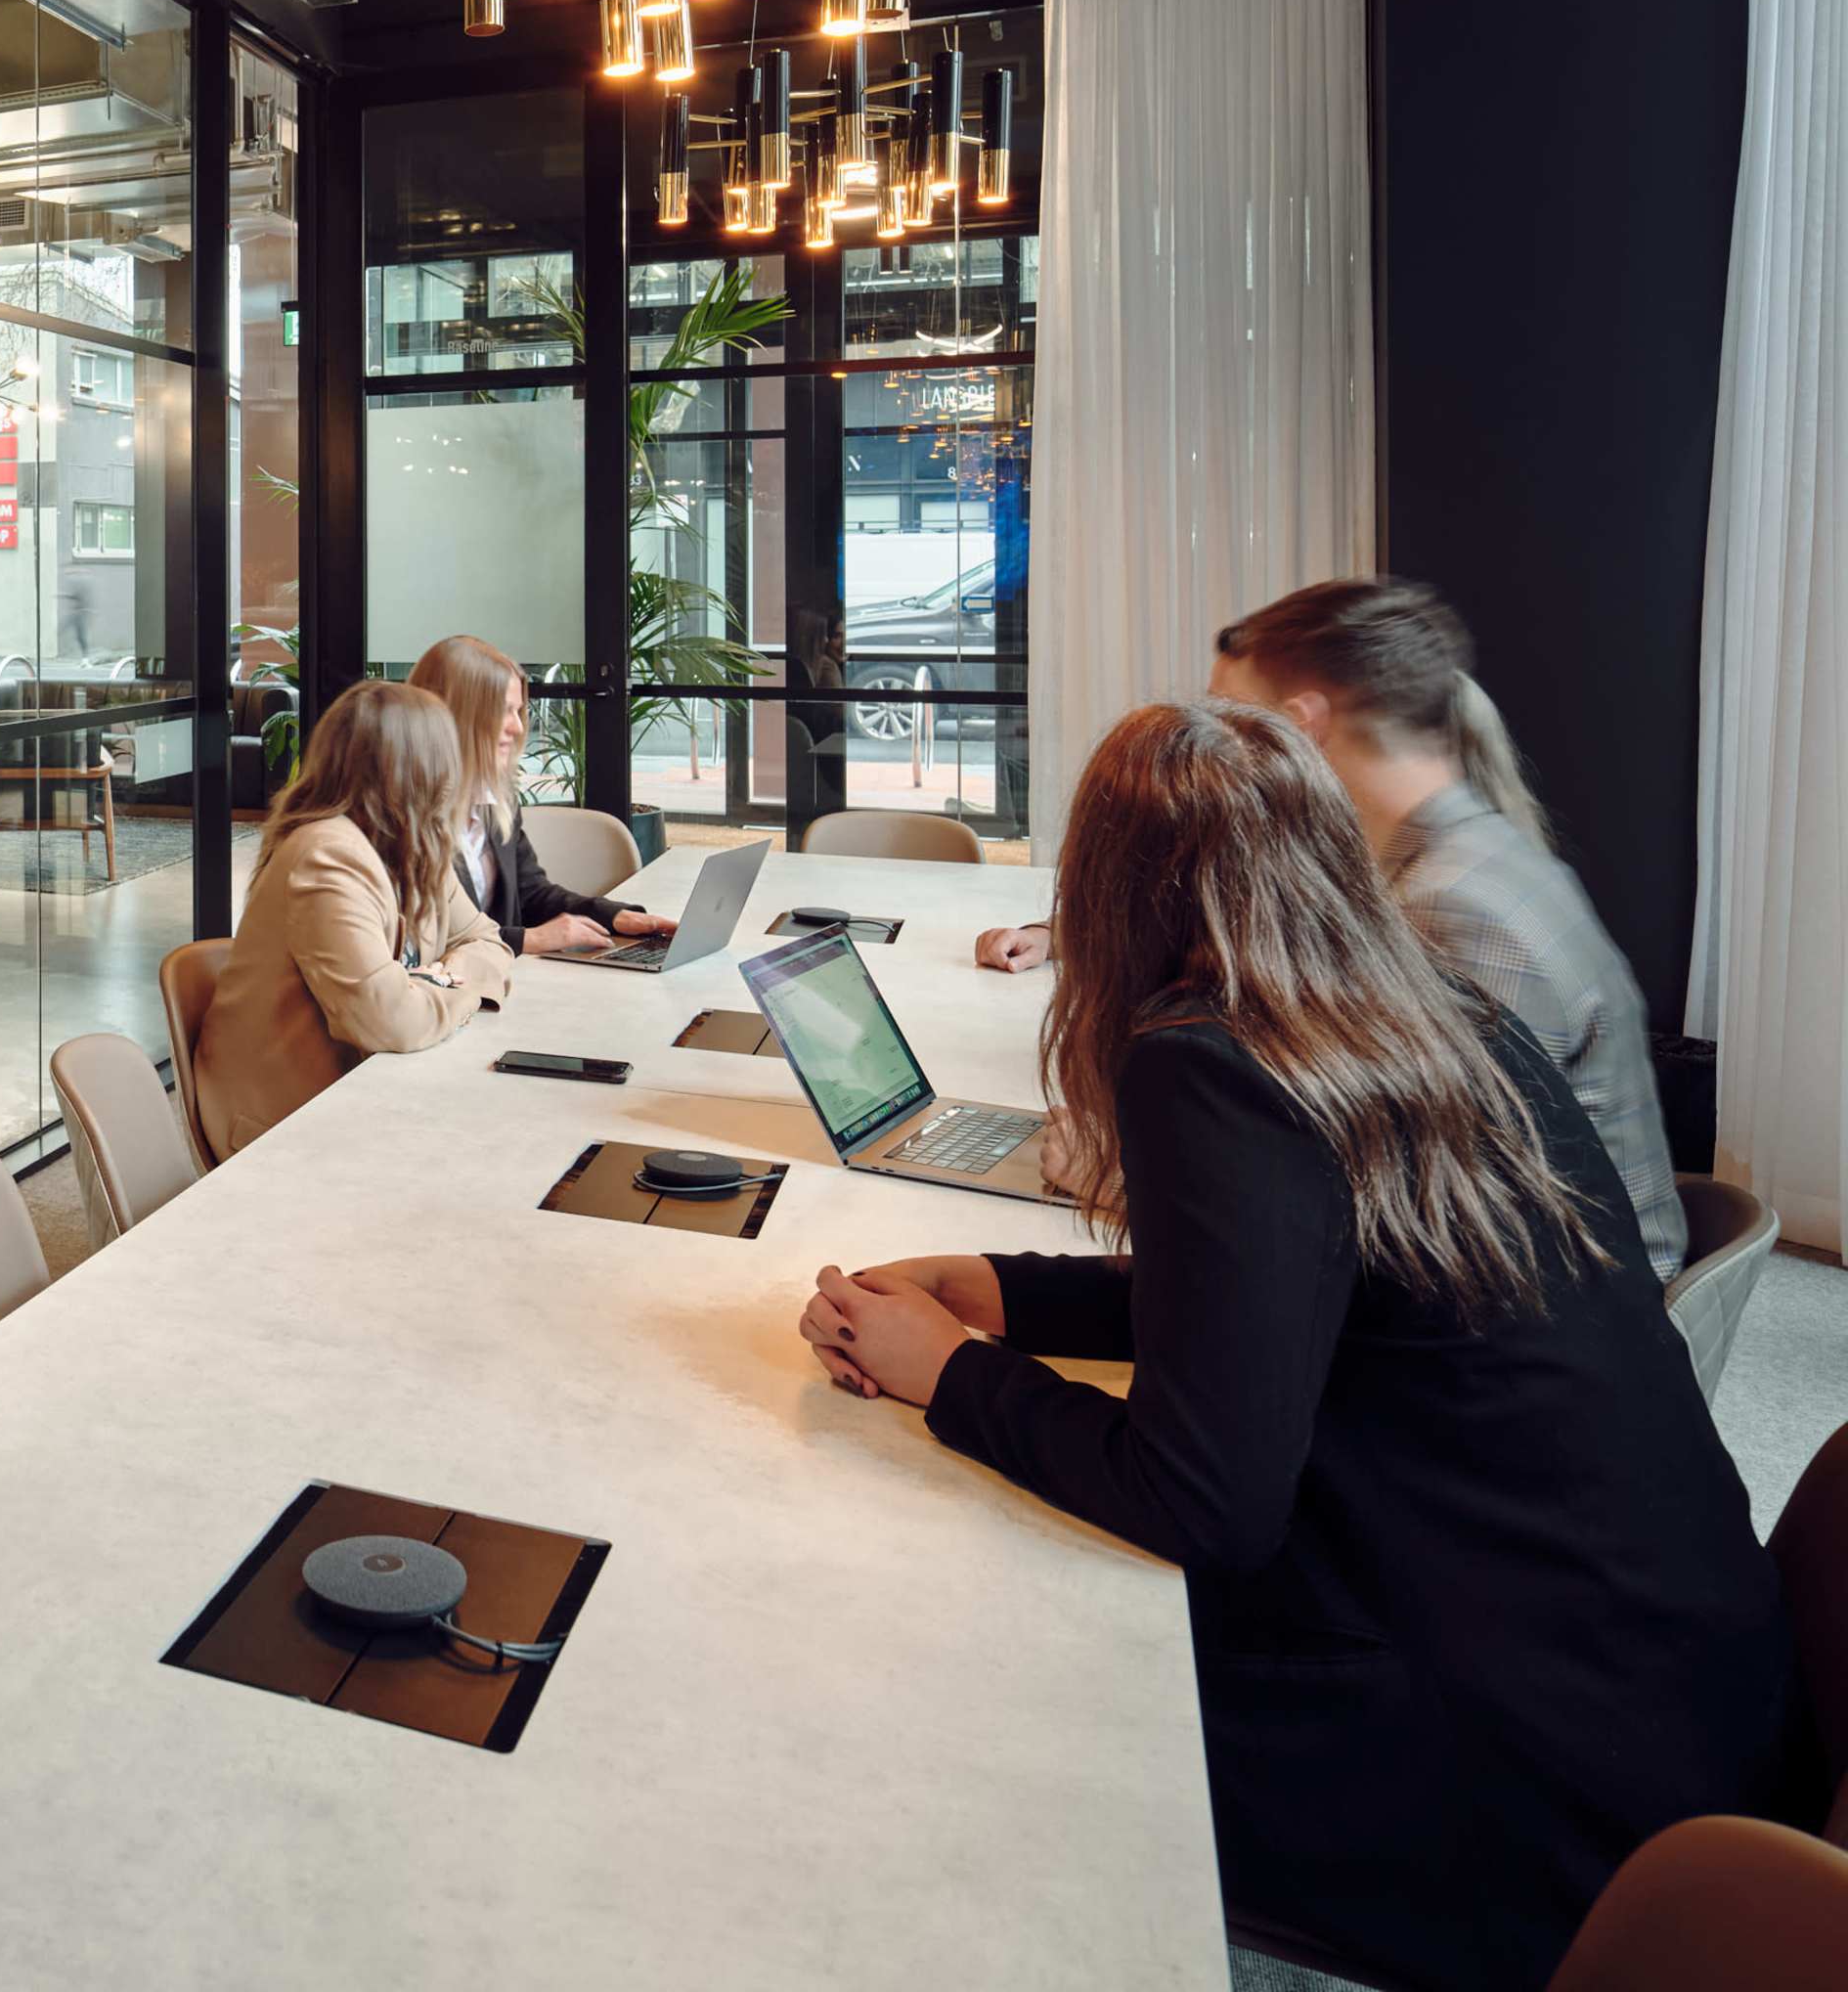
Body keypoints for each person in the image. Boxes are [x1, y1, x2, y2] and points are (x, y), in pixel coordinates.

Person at [802, 703, 1792, 1992]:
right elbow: (1302, 1293)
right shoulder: (1425, 1007)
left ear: (1104, 897)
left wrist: (953, 1374)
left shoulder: (1206, 1062)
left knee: (978, 1689)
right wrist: (1008, 1289)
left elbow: (1203, 1501)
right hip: (1672, 1704)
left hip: (1523, 1785)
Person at [975, 579, 1682, 1275]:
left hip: (1562, 1306)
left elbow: (1409, 1213)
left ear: (1299, 725)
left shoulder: (1456, 910)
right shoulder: (1442, 859)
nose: (1217, 744)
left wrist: (1122, 1183)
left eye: (1232, 718)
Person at [194, 681, 513, 1161]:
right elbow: (390, 1023)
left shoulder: (412, 843)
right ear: (422, 768)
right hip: (287, 1126)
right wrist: (457, 985)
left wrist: (430, 981)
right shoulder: (328, 856)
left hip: (369, 1091)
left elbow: (486, 938)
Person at [405, 635, 673, 956]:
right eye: (505, 711)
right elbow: (421, 940)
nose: (518, 728)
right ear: (461, 716)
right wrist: (528, 940)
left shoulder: (496, 800)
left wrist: (612, 915)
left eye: (519, 711)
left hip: (507, 981)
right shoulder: (401, 815)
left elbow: (531, 894)